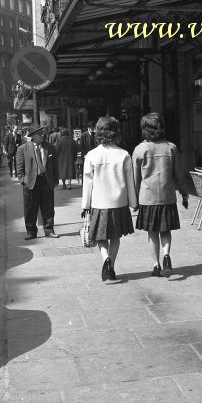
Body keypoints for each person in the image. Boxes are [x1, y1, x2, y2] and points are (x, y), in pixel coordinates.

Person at [133, 113, 188, 277]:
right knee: (165, 231)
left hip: (147, 198)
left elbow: (135, 179)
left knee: (152, 233)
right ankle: (166, 255)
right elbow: (178, 174)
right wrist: (184, 193)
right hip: (167, 196)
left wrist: (133, 200)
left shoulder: (140, 149)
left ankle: (156, 265)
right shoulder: (171, 147)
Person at [82, 116, 137, 281]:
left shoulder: (91, 155)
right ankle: (111, 266)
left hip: (99, 203)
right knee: (115, 237)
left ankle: (105, 257)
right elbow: (129, 181)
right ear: (116, 132)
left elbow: (88, 183)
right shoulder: (124, 155)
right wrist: (133, 202)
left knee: (100, 237)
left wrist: (85, 205)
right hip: (119, 203)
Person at [16, 123, 60, 240]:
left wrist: (56, 180)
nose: (43, 135)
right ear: (33, 136)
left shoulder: (50, 147)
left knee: (48, 208)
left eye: (43, 133)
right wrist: (23, 180)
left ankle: (49, 230)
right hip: (30, 183)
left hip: (46, 181)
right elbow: (19, 168)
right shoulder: (22, 149)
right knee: (30, 209)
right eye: (40, 133)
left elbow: (55, 165)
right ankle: (31, 232)